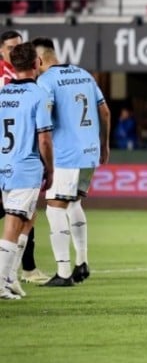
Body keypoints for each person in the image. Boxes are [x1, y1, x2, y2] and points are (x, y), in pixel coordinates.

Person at [33, 37, 110, 287]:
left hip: (65, 154)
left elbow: (43, 119)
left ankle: (64, 273)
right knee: (74, 203)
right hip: (89, 151)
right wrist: (104, 144)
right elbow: (105, 111)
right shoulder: (84, 74)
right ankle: (82, 262)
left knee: (55, 208)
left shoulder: (45, 81)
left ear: (40, 59)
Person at [0, 42, 54, 300]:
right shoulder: (39, 93)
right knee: (14, 222)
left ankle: (10, 278)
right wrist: (51, 169)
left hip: (5, 164)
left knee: (27, 219)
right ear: (37, 64)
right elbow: (44, 139)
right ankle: (0, 283)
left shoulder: (4, 93)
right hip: (26, 164)